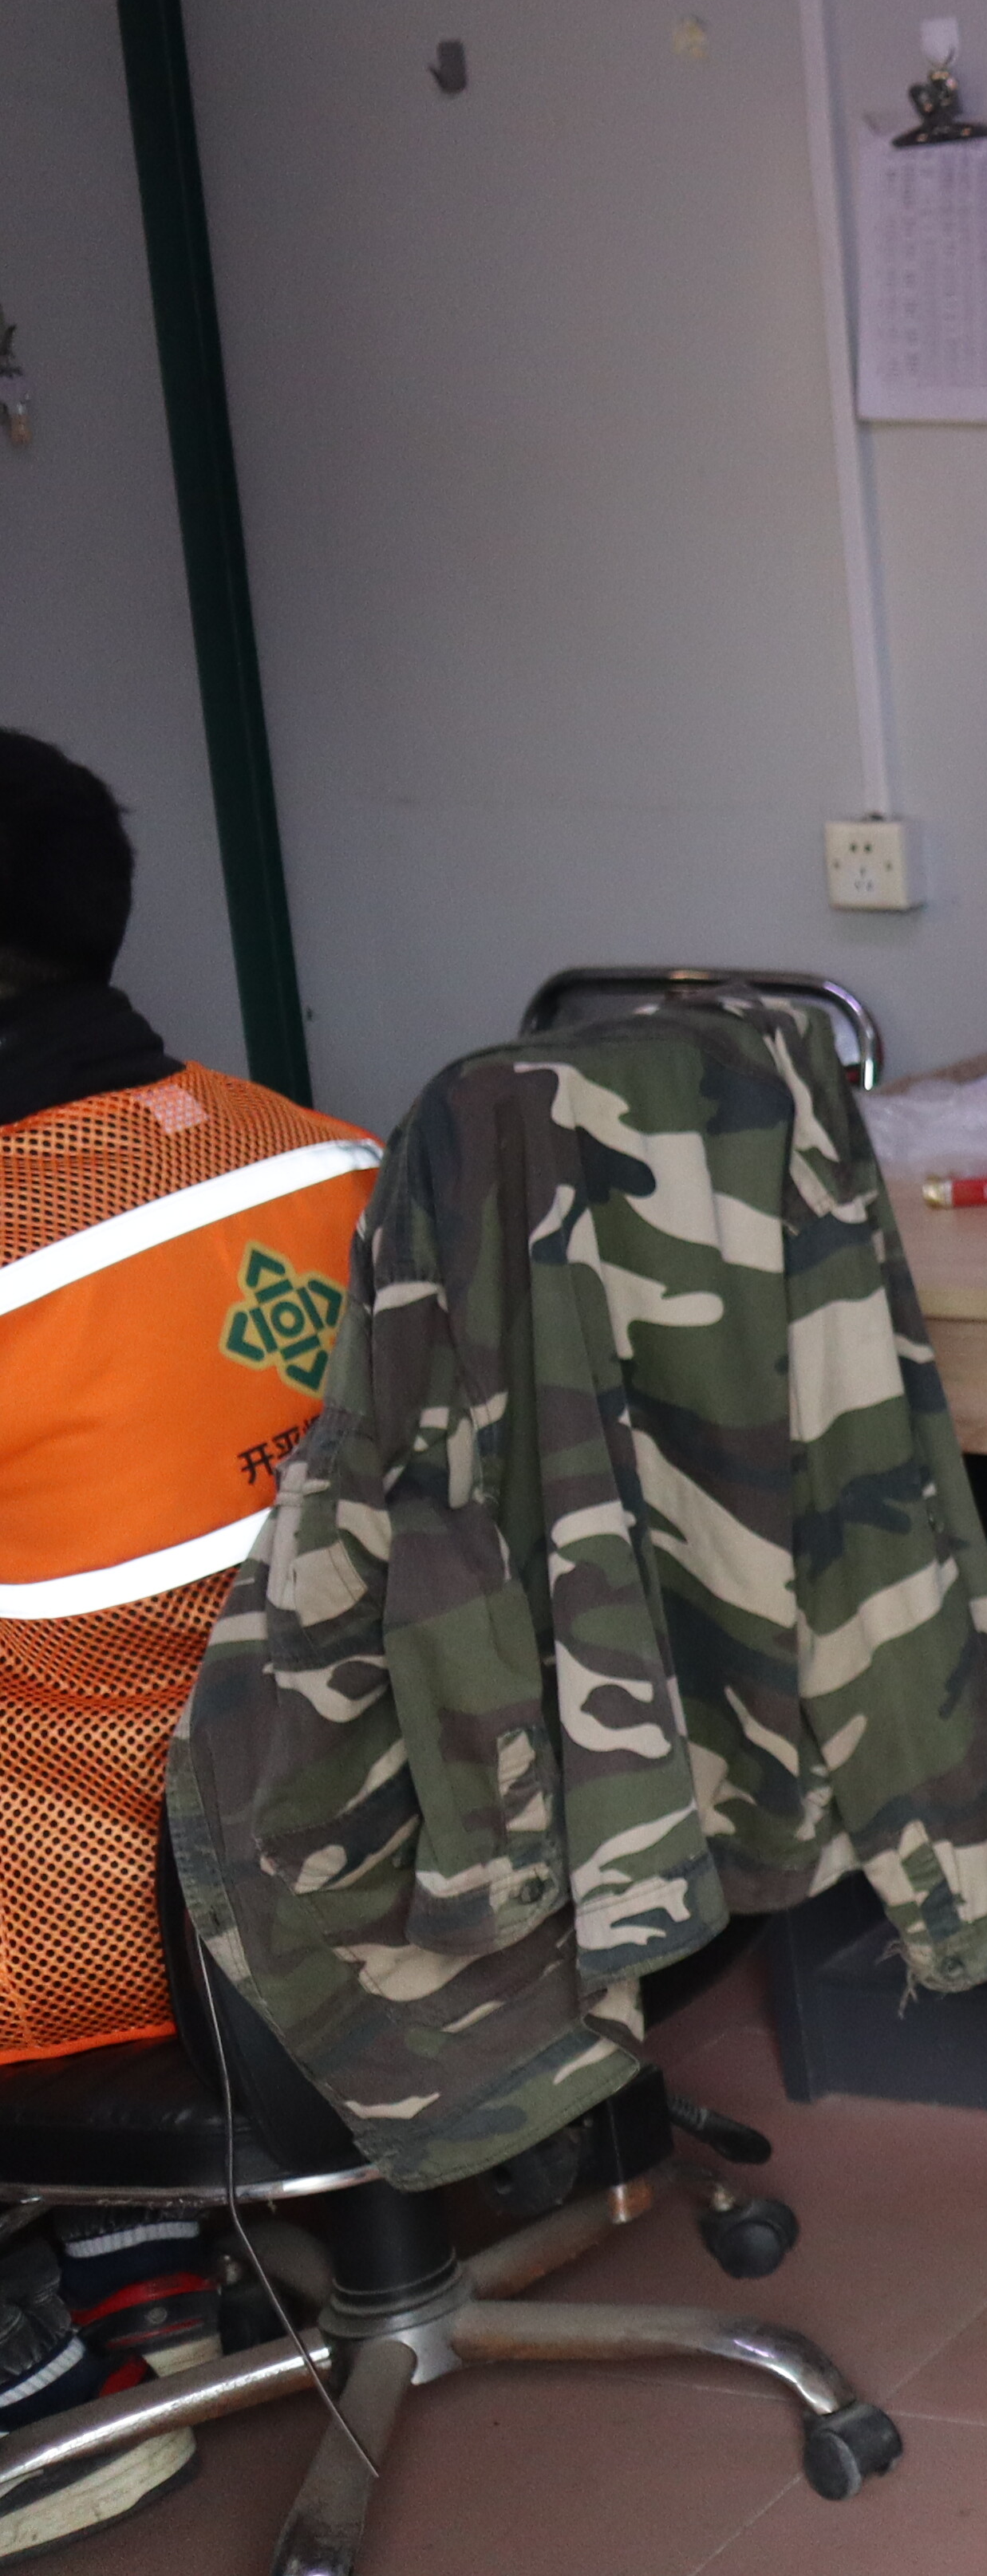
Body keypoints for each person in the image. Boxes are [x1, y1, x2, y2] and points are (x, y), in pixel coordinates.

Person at [0, 733, 381, 2554]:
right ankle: (143, 2259)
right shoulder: (329, 1159)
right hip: (379, 1848)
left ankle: (37, 2387)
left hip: (96, 1943)